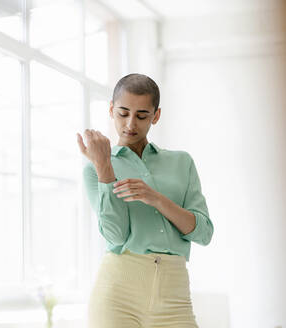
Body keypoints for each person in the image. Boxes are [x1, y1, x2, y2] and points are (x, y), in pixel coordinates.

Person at [76, 73, 214, 328]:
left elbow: (204, 233)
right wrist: (105, 167)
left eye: (141, 116)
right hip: (117, 293)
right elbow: (116, 236)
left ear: (156, 116)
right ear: (111, 109)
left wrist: (157, 199)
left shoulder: (181, 163)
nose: (130, 124)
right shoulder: (94, 170)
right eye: (123, 113)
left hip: (174, 295)